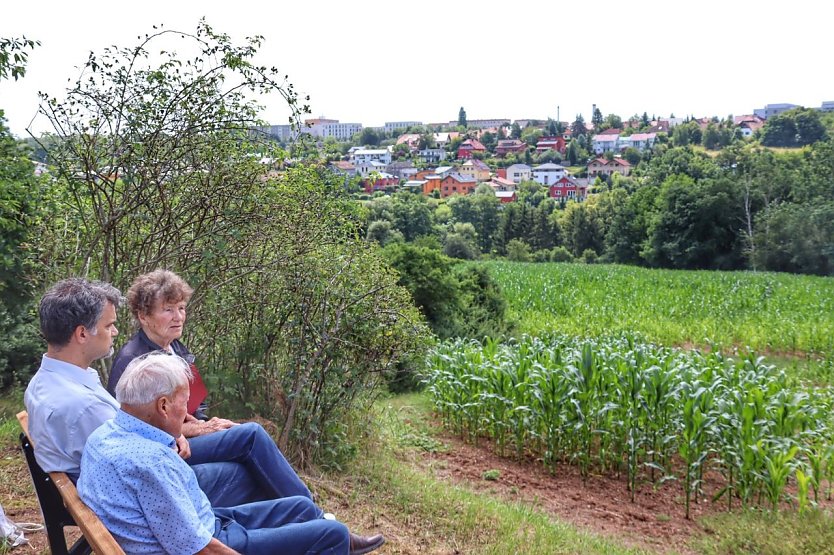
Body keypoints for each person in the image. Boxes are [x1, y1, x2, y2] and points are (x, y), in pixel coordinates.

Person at [24, 278, 384, 555]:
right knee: (251, 450)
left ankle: (306, 521)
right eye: (107, 326)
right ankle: (314, 530)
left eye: (181, 308)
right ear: (81, 333)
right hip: (161, 503)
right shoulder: (96, 402)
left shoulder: (56, 382)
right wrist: (185, 431)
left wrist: (188, 426)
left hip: (154, 500)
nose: (114, 331)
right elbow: (186, 534)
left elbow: (134, 438)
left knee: (260, 467)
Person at [79, 351, 349, 554]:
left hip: (208, 522)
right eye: (184, 404)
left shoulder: (103, 435)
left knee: (302, 507)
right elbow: (200, 550)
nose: (187, 414)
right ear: (163, 407)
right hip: (211, 540)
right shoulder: (151, 462)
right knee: (335, 535)